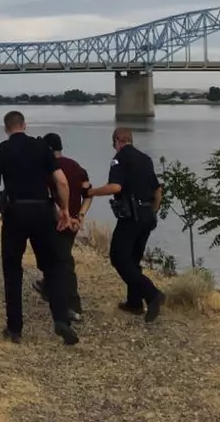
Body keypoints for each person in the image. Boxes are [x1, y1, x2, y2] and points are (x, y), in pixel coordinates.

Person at [0, 111, 80, 345]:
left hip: (15, 214)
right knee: (53, 267)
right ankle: (61, 320)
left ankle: (15, 329)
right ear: (25, 125)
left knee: (12, 270)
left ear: (6, 128)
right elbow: (61, 181)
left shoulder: (2, 150)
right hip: (42, 213)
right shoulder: (42, 148)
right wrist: (66, 211)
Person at [84, 127, 165, 321]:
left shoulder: (120, 158)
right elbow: (157, 190)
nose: (114, 147)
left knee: (119, 258)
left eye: (114, 144)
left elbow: (116, 187)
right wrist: (152, 211)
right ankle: (134, 303)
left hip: (131, 217)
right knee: (133, 259)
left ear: (118, 140)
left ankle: (152, 294)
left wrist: (91, 192)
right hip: (147, 215)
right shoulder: (146, 159)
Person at [32, 132, 91, 321]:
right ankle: (48, 287)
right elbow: (88, 193)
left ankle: (74, 306)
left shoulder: (48, 169)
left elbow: (49, 197)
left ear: (48, 149)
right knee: (57, 257)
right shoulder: (77, 167)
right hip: (73, 222)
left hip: (56, 221)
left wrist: (64, 216)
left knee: (63, 262)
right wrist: (80, 216)